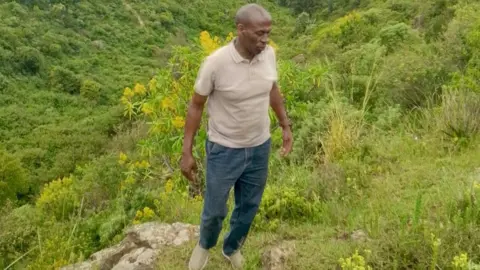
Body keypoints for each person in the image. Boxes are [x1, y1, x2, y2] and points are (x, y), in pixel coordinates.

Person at [180, 3, 293, 270]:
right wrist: (187, 151)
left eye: (268, 33)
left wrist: (285, 125)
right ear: (240, 30)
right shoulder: (216, 63)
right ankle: (204, 245)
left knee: (249, 207)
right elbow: (196, 105)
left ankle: (232, 248)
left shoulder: (269, 55)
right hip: (224, 149)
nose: (265, 39)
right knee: (215, 209)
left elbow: (272, 89)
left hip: (259, 146)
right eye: (259, 34)